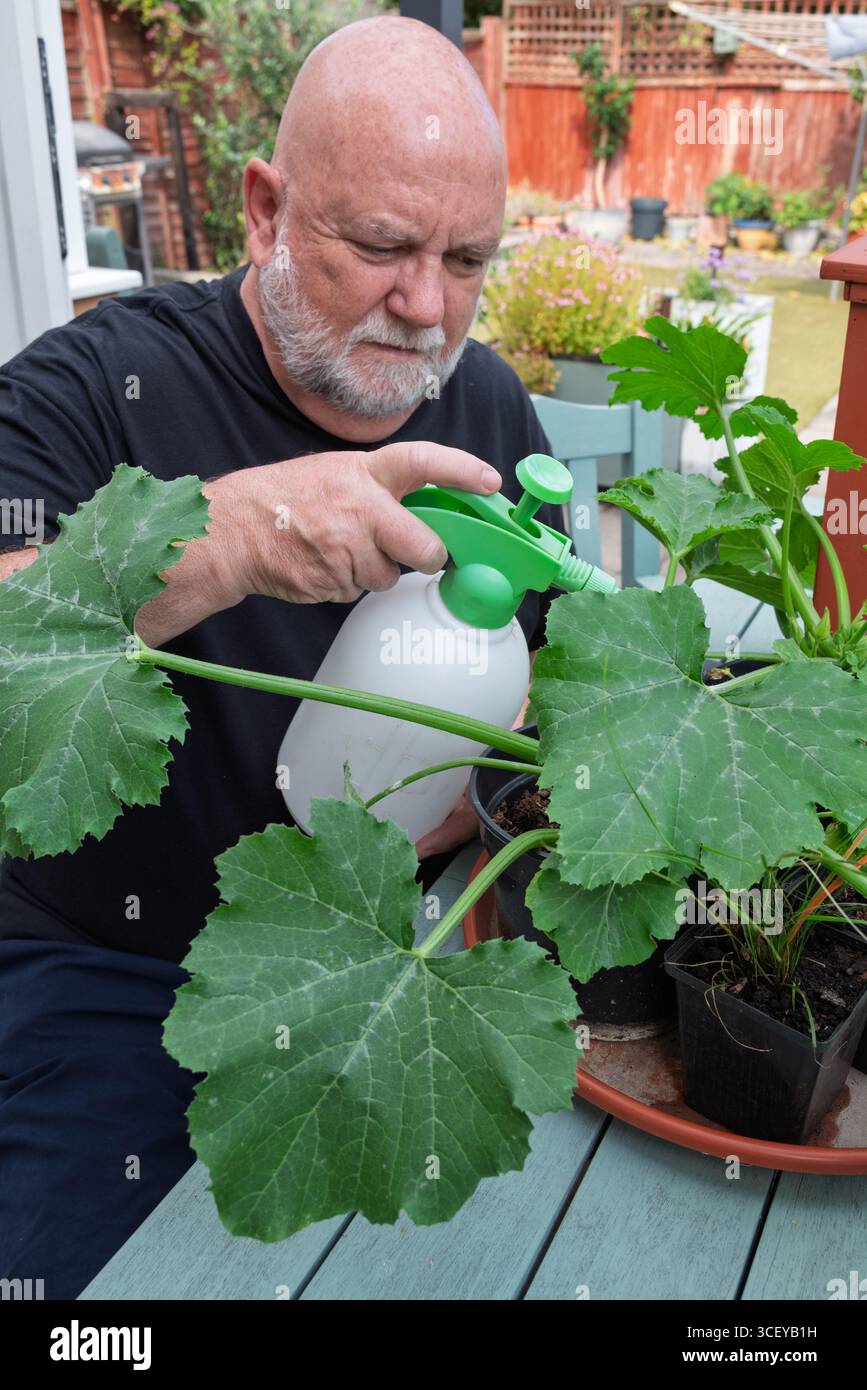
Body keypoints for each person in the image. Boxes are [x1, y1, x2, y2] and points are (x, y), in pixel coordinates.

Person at [0, 14, 559, 1298]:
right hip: (110, 966)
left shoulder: (486, 406)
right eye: (379, 246)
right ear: (265, 209)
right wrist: (234, 538)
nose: (426, 306)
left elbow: (553, 692)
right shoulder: (95, 386)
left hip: (402, 946)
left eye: (466, 259)